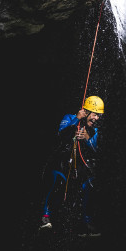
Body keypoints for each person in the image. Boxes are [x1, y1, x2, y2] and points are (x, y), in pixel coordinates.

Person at [39, 95, 104, 237]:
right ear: (86, 112)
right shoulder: (70, 118)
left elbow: (98, 150)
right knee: (58, 181)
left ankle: (85, 223)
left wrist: (87, 138)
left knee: (89, 185)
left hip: (80, 165)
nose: (97, 118)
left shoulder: (95, 130)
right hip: (63, 161)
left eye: (99, 116)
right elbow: (60, 135)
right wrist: (76, 119)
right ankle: (45, 217)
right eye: (95, 114)